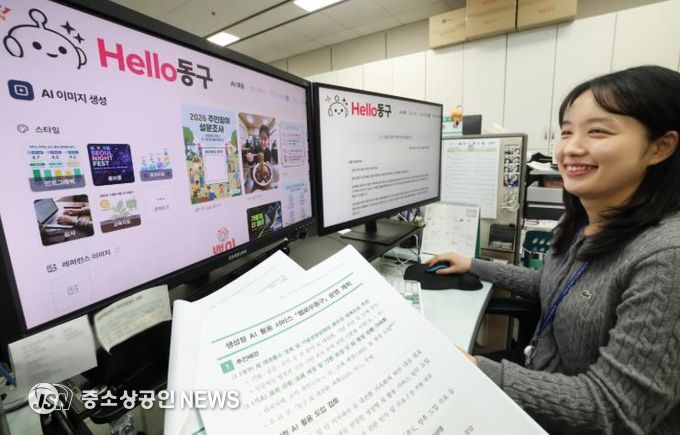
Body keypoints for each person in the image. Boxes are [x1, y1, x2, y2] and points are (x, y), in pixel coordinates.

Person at [428, 65, 680, 433]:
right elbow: (549, 284)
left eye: (597, 131)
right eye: (566, 131)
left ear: (661, 146)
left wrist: (478, 369)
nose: (571, 148)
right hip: (541, 374)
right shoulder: (581, 220)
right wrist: (474, 265)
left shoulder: (666, 257)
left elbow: (613, 409)